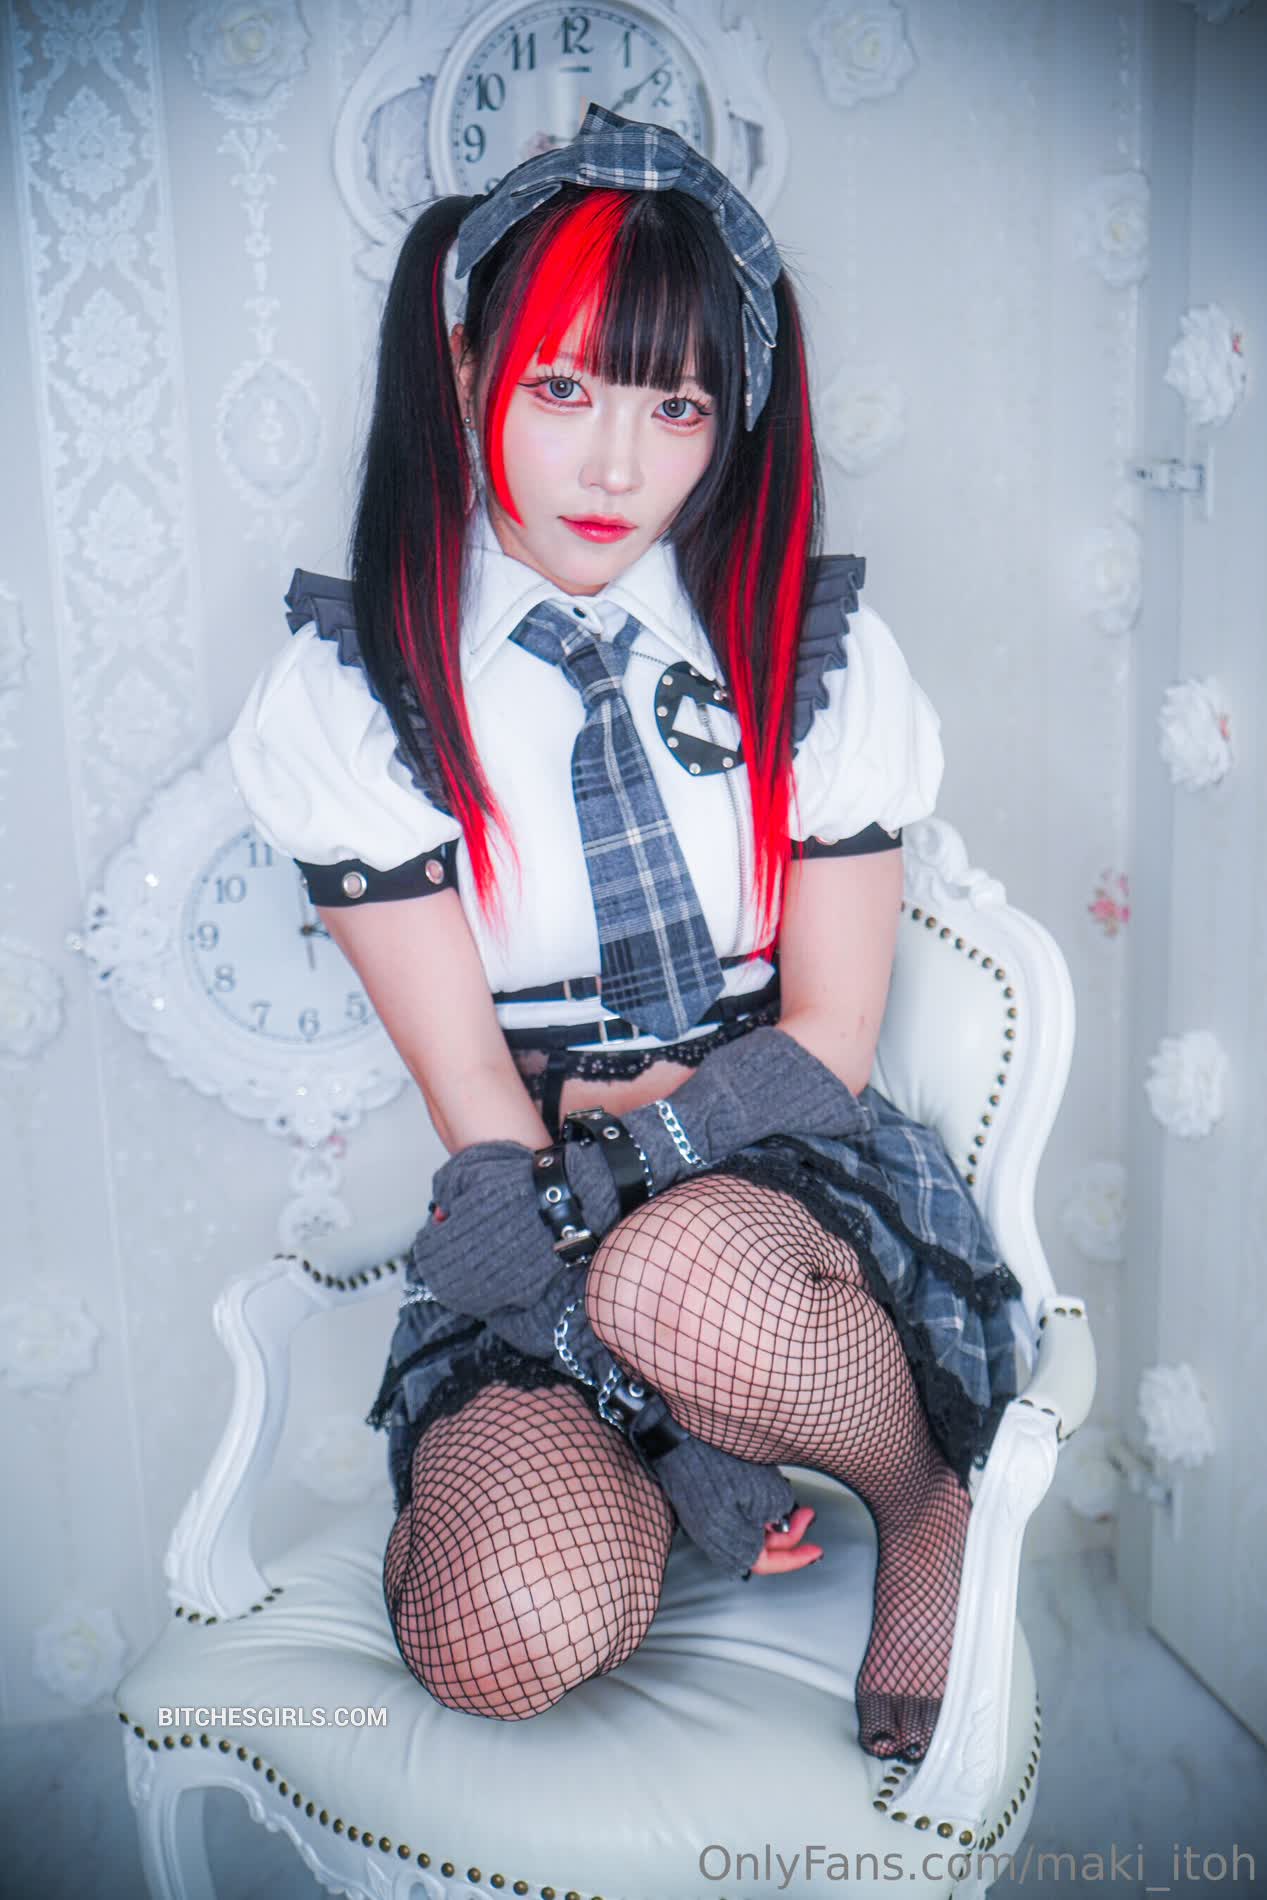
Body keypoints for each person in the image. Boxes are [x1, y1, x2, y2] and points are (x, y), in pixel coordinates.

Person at [227, 105, 1030, 1767]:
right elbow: (479, 1111)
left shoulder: (807, 648)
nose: (616, 468)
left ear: (731, 417)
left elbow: (828, 1043)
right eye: (562, 389)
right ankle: (651, 1451)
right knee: (500, 1629)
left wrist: (644, 1160)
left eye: (677, 406)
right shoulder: (358, 693)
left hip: (788, 1170)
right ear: (466, 370)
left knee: (683, 1276)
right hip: (529, 1205)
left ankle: (922, 1498)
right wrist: (650, 1424)